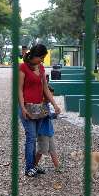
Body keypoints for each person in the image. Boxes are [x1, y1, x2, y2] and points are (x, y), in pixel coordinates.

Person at [18, 44, 61, 177]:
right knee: (30, 137)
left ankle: (33, 166)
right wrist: (23, 107)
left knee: (35, 137)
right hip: (26, 106)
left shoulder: (41, 68)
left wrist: (54, 104)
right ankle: (29, 167)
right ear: (35, 55)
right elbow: (19, 89)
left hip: (39, 108)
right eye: (41, 58)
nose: (42, 61)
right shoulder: (23, 68)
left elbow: (45, 89)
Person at [34, 86, 62, 173]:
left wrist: (55, 113)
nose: (51, 99)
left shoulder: (46, 104)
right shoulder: (41, 104)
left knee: (52, 149)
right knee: (41, 150)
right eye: (50, 96)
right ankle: (34, 165)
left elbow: (49, 115)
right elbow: (47, 115)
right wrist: (55, 113)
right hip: (42, 131)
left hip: (49, 131)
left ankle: (58, 167)